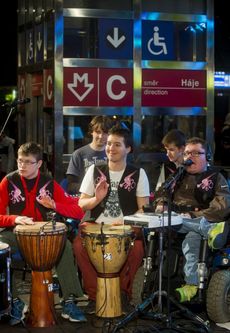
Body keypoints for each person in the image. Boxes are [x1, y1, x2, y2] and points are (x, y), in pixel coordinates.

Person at [0, 142, 87, 325]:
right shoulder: (8, 181)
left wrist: (54, 205)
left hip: (46, 236)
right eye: (20, 161)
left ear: (38, 164)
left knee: (66, 246)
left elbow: (78, 211)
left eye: (27, 162)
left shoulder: (49, 183)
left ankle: (68, 301)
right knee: (0, 247)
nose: (22, 166)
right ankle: (13, 301)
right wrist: (14, 219)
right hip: (17, 233)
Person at [73, 127, 150, 312]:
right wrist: (97, 198)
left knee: (137, 248)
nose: (111, 148)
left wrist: (127, 222)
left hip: (125, 226)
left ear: (128, 149)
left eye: (117, 144)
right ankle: (94, 294)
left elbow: (143, 209)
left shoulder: (138, 173)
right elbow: (82, 204)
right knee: (78, 245)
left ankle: (123, 293)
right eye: (108, 144)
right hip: (96, 223)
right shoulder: (95, 170)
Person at [155, 137, 230, 303]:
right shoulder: (178, 175)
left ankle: (191, 285)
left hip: (199, 219)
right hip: (181, 222)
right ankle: (208, 230)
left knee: (190, 240)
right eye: (188, 153)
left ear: (207, 156)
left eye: (197, 153)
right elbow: (161, 193)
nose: (191, 157)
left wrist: (193, 216)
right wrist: (161, 203)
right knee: (164, 221)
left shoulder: (216, 177)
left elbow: (222, 206)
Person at [66, 116, 117, 194]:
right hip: (84, 198)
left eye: (105, 133)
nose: (101, 136)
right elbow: (70, 186)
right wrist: (91, 189)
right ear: (91, 132)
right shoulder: (78, 154)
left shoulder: (114, 153)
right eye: (98, 132)